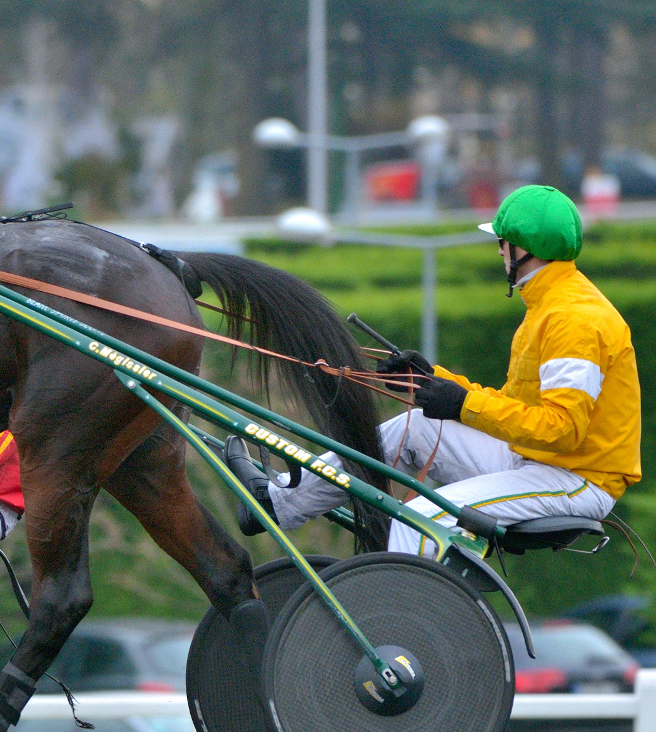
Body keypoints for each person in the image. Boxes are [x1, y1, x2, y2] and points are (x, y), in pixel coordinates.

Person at [226, 185, 640, 556]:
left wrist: (461, 405)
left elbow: (562, 428)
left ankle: (402, 624)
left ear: (523, 249)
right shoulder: (548, 307)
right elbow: (518, 409)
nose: (498, 252)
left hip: (576, 479)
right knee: (415, 427)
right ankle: (276, 503)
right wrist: (432, 381)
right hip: (536, 460)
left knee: (419, 518)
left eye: (502, 243)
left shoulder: (575, 319)